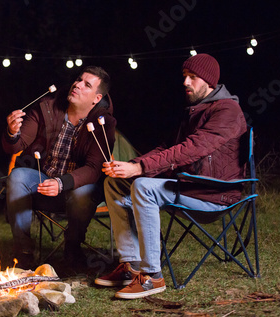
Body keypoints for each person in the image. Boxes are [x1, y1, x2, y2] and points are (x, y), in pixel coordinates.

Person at [96, 54, 247, 299]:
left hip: (214, 193)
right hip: (190, 186)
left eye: (193, 77)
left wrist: (141, 169)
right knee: (115, 183)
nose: (186, 82)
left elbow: (192, 149)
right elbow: (168, 147)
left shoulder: (227, 110)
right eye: (184, 77)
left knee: (144, 186)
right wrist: (131, 165)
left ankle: (152, 276)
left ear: (209, 81)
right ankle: (131, 265)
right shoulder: (194, 111)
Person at [2, 66, 116, 268]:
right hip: (44, 181)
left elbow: (93, 168)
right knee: (18, 176)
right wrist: (12, 133)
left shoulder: (103, 123)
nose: (77, 85)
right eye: (79, 80)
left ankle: (72, 249)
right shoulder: (47, 107)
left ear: (96, 98)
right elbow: (16, 146)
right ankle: (23, 252)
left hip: (77, 188)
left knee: (84, 192)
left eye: (86, 85)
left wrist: (62, 183)